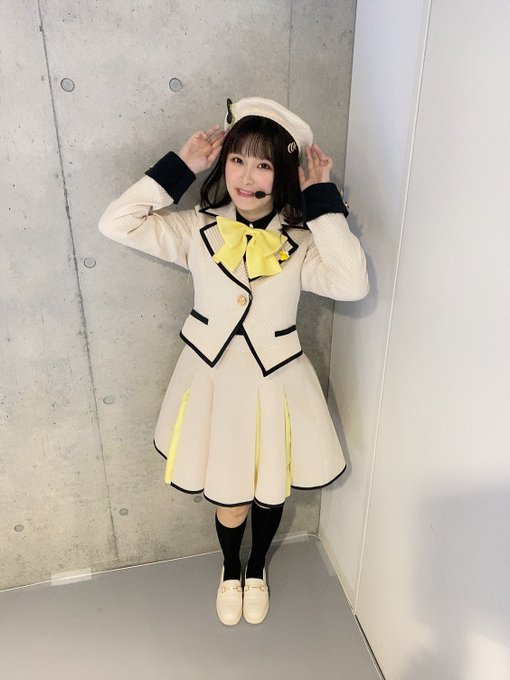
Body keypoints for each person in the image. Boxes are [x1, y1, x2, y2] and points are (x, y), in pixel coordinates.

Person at [98, 96, 369, 626]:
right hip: (213, 384)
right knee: (229, 491)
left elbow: (352, 282)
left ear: (283, 174)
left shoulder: (303, 242)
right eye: (237, 159)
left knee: (269, 489)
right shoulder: (193, 229)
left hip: (276, 383)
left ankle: (257, 569)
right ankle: (229, 569)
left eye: (263, 164)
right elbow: (116, 223)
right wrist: (181, 164)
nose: (246, 177)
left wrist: (320, 199)